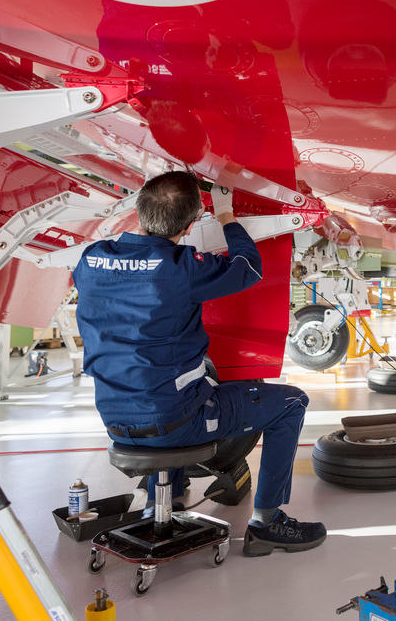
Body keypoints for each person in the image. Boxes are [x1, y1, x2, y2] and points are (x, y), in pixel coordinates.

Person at [73, 171, 325, 557]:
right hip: (174, 423)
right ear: (192, 225)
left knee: (184, 378)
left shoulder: (92, 260)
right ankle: (268, 522)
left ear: (139, 210)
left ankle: (164, 495)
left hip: (116, 422)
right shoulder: (179, 268)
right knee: (291, 403)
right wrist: (226, 216)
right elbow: (248, 267)